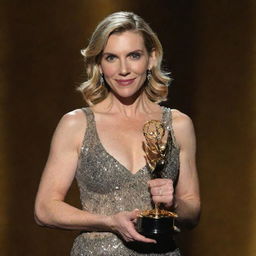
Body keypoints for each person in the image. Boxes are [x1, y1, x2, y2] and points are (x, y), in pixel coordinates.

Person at [34, 11, 200, 255]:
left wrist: (174, 203)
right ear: (99, 64)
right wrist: (109, 222)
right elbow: (45, 209)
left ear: (151, 58)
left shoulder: (178, 124)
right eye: (112, 57)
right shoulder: (77, 124)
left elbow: (192, 212)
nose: (123, 69)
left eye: (134, 56)